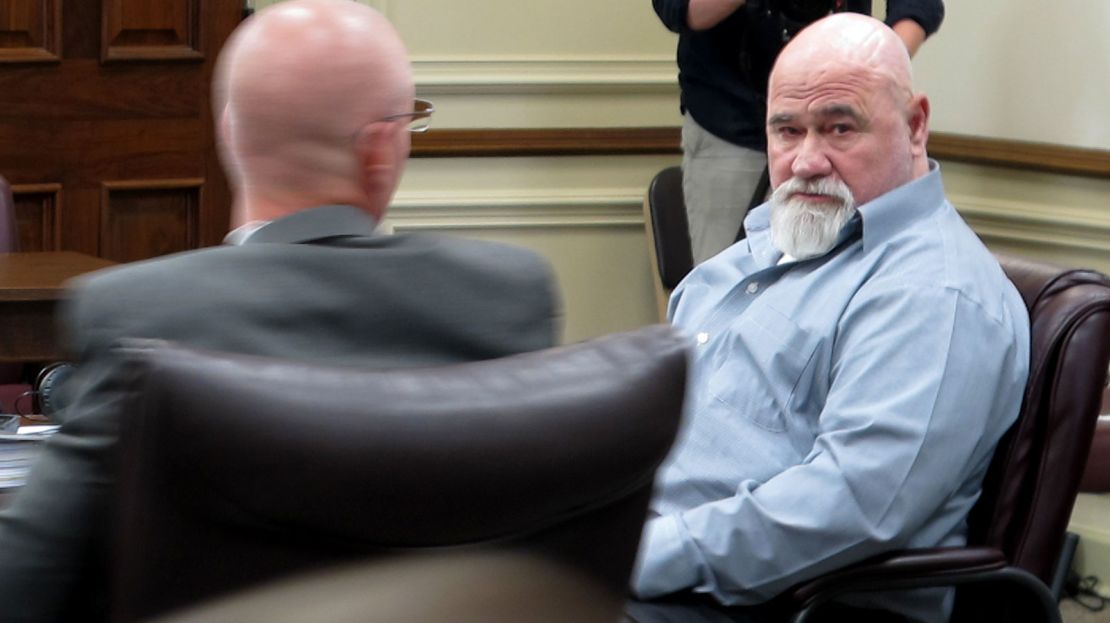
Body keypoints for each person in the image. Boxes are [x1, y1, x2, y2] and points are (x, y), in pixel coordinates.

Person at [0, 1, 560, 621]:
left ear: (230, 132)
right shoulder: (507, 294)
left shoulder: (140, 312)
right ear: (382, 150)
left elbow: (24, 583)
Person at [629, 13, 1029, 623]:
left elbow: (851, 506)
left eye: (839, 127)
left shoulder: (931, 293)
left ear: (916, 125)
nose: (807, 160)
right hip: (648, 556)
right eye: (787, 131)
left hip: (766, 602)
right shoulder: (764, 247)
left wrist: (632, 555)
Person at [652, 0, 945, 264]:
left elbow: (919, 6)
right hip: (730, 125)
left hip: (844, 132)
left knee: (848, 277)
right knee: (728, 282)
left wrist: (867, 69)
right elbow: (680, 9)